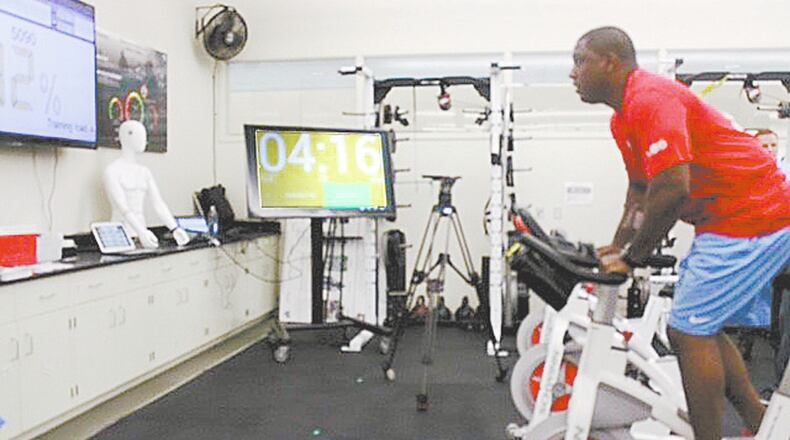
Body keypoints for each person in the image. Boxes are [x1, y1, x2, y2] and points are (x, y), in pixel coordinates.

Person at [570, 26, 790, 439]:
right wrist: (616, 247)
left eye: (579, 61)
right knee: (700, 321)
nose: (573, 73)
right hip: (726, 221)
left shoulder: (651, 98)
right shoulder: (623, 119)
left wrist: (632, 258)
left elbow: (672, 189)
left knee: (688, 330)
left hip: (753, 216)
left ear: (610, 63)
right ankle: (759, 422)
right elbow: (641, 191)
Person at [104, 120, 189, 248]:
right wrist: (141, 231)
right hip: (121, 236)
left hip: (143, 236)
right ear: (128, 136)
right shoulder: (112, 171)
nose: (144, 140)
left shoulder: (144, 172)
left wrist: (175, 228)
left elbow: (158, 204)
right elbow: (123, 208)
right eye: (140, 135)